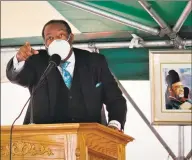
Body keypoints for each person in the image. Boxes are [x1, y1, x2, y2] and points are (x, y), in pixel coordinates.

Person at [6, 19, 127, 130]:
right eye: (50, 38)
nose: (56, 40)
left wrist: (114, 124)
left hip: (90, 139)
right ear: (45, 44)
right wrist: (19, 59)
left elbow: (115, 99)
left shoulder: (94, 62)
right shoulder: (36, 60)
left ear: (71, 37)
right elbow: (16, 77)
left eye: (61, 35)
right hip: (43, 140)